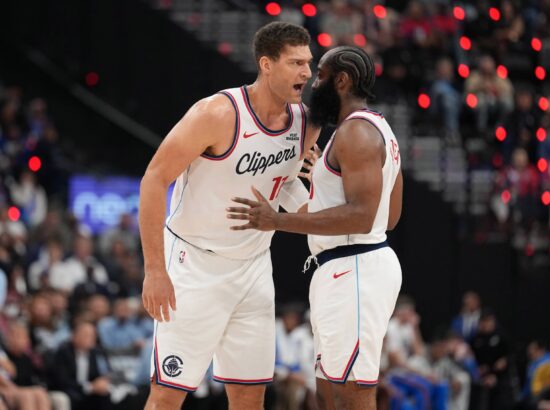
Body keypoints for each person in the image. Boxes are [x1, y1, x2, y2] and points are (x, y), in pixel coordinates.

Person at [138, 21, 320, 409]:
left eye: (309, 62)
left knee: (249, 395)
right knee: (168, 395)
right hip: (195, 265)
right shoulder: (216, 113)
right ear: (266, 64)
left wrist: (318, 195)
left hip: (254, 268)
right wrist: (155, 269)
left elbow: (284, 186)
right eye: (296, 63)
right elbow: (154, 179)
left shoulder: (305, 123)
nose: (306, 72)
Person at [227, 45, 403, 410]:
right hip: (349, 266)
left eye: (320, 75)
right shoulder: (375, 129)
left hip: (355, 270)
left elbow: (364, 217)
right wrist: (324, 177)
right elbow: (389, 216)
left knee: (351, 393)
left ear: (342, 80)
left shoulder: (356, 134)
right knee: (328, 392)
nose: (312, 83)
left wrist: (276, 220)